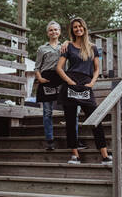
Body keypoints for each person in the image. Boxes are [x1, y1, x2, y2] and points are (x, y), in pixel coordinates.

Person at [56, 17, 112, 165]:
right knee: (70, 121)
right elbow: (59, 68)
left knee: (95, 120)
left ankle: (105, 156)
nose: (78, 29)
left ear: (84, 28)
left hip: (86, 84)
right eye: (75, 27)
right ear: (72, 30)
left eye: (80, 26)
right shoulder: (67, 46)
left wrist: (92, 82)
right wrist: (69, 81)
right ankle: (75, 155)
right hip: (71, 84)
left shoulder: (92, 47)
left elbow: (97, 68)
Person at [35, 21, 86, 151]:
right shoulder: (42, 48)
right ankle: (49, 140)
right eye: (51, 30)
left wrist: (67, 42)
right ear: (47, 33)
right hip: (46, 79)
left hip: (62, 78)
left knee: (70, 111)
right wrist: (39, 78)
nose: (54, 32)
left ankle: (74, 139)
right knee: (47, 112)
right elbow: (37, 67)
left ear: (60, 32)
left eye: (56, 30)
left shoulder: (66, 46)